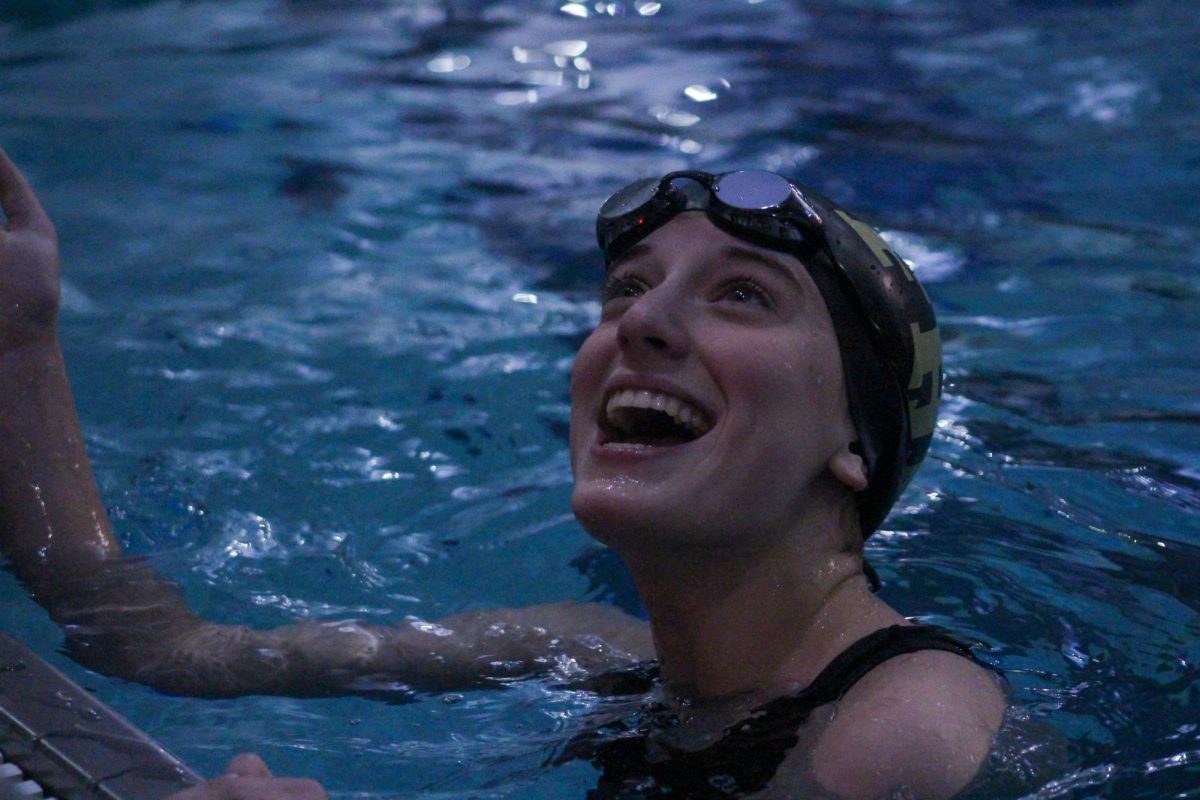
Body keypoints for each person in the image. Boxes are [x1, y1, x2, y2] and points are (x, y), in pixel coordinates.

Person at [0, 148, 1004, 799]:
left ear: (857, 443)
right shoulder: (592, 654)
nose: (638, 323)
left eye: (743, 294)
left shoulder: (907, 725)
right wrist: (19, 334)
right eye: (627, 291)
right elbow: (163, 649)